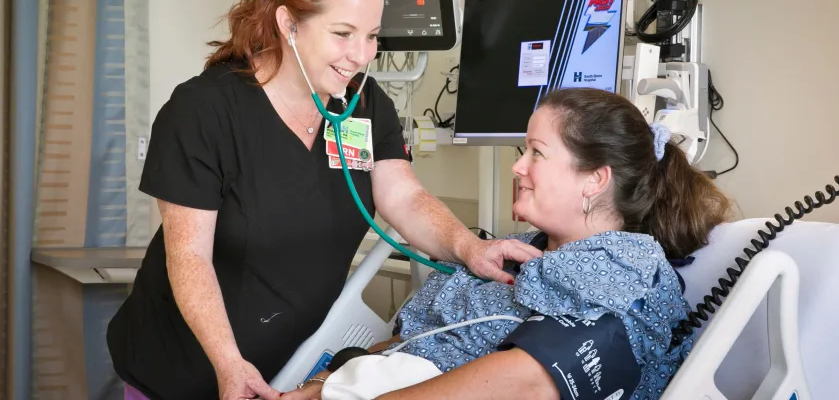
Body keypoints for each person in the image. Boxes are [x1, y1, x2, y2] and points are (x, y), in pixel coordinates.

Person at [105, 0, 542, 399]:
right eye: (342, 33)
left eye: (372, 36)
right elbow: (189, 257)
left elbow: (402, 195)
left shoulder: (364, 104)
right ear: (288, 24)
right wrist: (229, 362)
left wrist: (467, 247)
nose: (361, 55)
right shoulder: (204, 111)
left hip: (293, 368)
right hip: (186, 369)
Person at [282, 87, 733, 400]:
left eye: (537, 152)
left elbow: (531, 380)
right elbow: (415, 339)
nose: (519, 167)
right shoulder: (514, 251)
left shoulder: (625, 277)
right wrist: (329, 377)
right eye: (524, 152)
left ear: (594, 180)